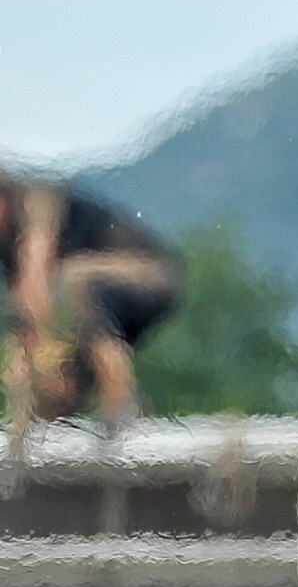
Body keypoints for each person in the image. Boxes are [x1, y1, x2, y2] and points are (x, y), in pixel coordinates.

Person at [0, 170, 180, 433]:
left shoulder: (36, 194)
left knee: (75, 281)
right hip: (90, 308)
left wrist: (42, 346)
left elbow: (36, 273)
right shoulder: (6, 246)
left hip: (147, 273)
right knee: (45, 383)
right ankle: (49, 437)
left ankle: (120, 398)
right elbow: (22, 311)